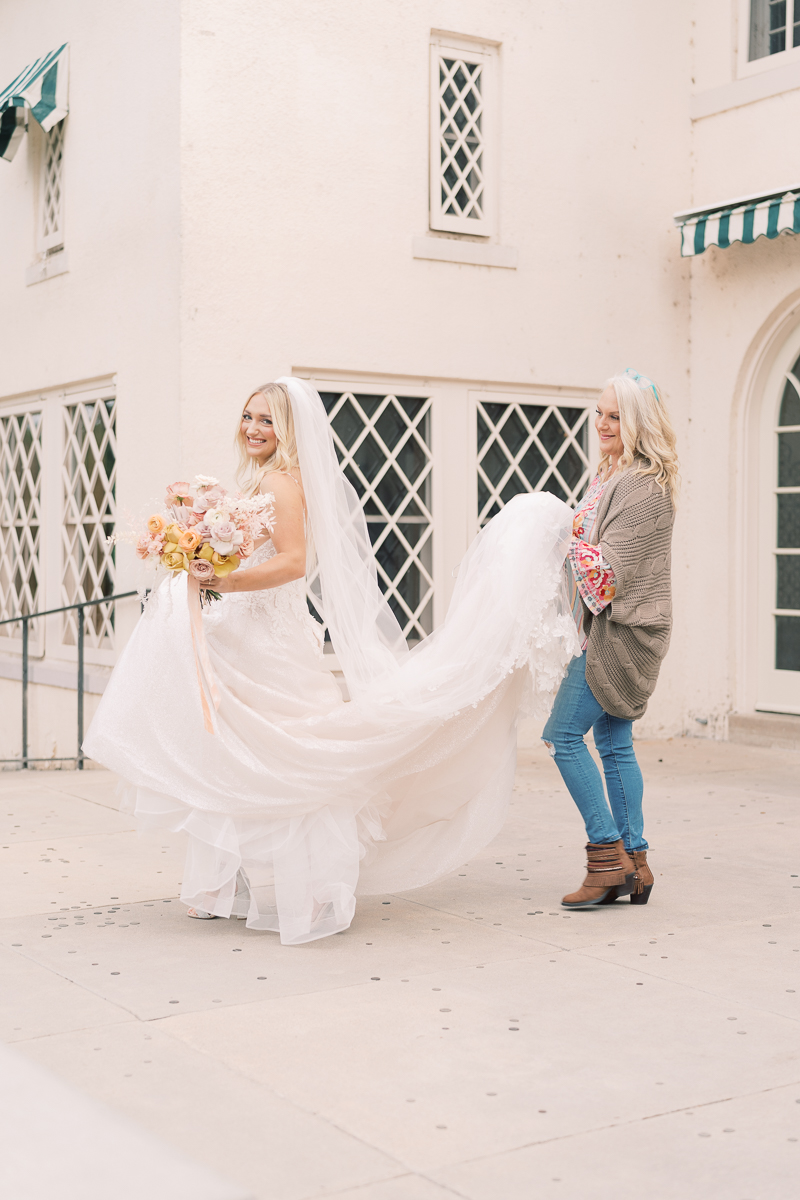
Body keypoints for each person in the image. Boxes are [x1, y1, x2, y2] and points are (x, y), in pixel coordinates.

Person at [85, 377, 580, 944]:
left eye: (267, 420)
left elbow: (294, 563)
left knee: (293, 762)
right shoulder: (267, 480)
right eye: (248, 416)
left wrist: (222, 576)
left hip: (267, 641)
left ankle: (315, 895)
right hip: (247, 634)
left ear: (289, 430)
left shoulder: (281, 483)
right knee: (231, 754)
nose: (253, 428)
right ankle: (226, 886)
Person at [541, 369, 679, 909]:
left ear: (639, 423)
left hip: (620, 633)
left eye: (616, 416)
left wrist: (552, 533)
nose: (602, 423)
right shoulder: (618, 474)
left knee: (562, 736)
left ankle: (606, 857)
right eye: (599, 412)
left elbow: (608, 573)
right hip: (612, 628)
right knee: (615, 743)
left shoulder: (642, 485)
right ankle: (637, 864)